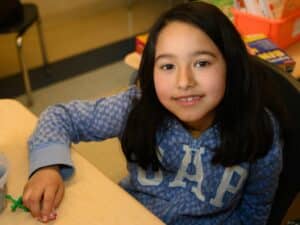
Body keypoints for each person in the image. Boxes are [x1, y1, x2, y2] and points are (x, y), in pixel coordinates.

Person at [22, 1, 284, 224]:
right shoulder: (136, 107)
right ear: (151, 71)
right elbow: (61, 117)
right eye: (168, 66)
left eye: (202, 63)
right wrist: (47, 167)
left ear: (231, 64)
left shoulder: (259, 130)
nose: (184, 81)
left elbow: (255, 211)